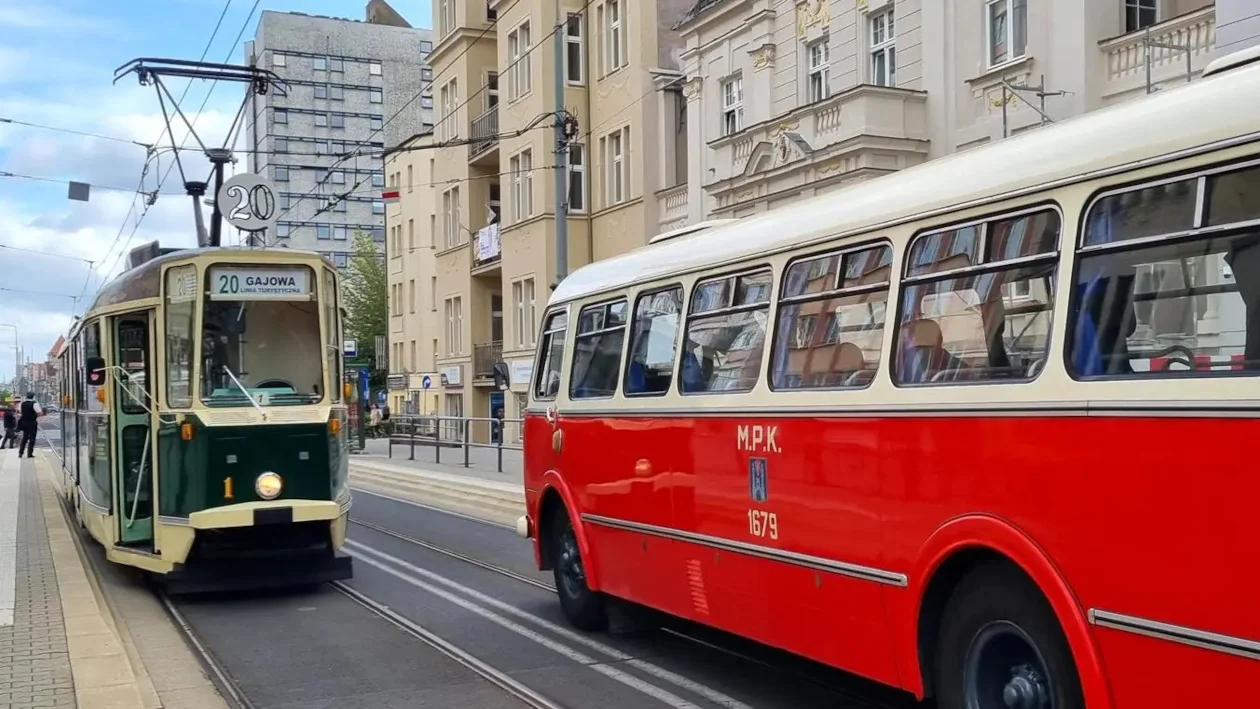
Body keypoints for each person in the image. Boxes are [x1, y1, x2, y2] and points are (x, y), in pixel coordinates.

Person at [17, 392, 43, 459]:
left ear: (26, 396)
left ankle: (20, 453)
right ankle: (29, 453)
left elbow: (19, 411)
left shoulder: (22, 403)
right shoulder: (35, 403)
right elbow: (39, 412)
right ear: (33, 396)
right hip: (32, 422)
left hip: (24, 422)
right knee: (32, 438)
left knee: (24, 437)